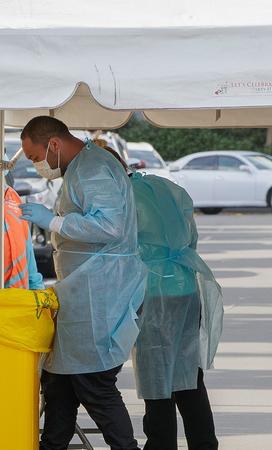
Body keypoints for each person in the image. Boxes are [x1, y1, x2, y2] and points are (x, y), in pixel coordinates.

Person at [18, 116, 147, 450]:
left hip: (100, 293)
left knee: (94, 384)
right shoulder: (80, 166)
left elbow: (110, 226)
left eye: (36, 157)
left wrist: (54, 221)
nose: (37, 166)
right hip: (84, 290)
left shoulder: (91, 169)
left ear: (55, 144)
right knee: (59, 384)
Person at [102, 146, 223, 450]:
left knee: (158, 380)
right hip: (185, 287)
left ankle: (161, 444)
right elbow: (190, 238)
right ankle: (205, 443)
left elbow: (114, 252)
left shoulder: (122, 200)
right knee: (188, 376)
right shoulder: (162, 187)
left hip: (154, 294)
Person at [0, 138, 45, 290]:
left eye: (2, 152)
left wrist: (38, 293)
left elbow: (28, 256)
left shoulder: (11, 196)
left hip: (17, 304)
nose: (0, 159)